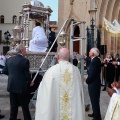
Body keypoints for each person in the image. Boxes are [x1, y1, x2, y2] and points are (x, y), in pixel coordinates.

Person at [35, 48, 85, 120]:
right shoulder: (75, 70)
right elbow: (79, 91)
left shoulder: (51, 71)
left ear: (58, 57)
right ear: (69, 58)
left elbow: (44, 92)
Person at [1, 44, 32, 120]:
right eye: (25, 50)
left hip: (12, 85)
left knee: (13, 105)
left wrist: (12, 74)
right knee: (24, 105)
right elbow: (27, 74)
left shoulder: (9, 59)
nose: (26, 51)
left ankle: (12, 118)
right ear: (22, 51)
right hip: (21, 86)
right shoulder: (25, 61)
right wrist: (30, 81)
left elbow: (4, 71)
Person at [86, 48, 101, 120]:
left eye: (90, 51)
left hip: (94, 84)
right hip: (95, 83)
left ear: (93, 53)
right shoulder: (95, 59)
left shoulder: (95, 61)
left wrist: (87, 80)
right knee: (93, 100)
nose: (89, 52)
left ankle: (97, 117)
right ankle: (95, 113)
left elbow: (92, 74)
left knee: (94, 100)